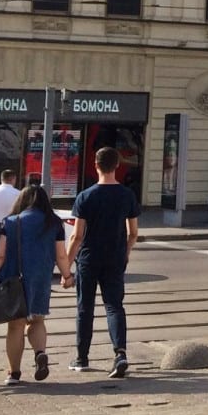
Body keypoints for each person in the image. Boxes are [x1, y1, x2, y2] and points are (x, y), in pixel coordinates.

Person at [0, 184, 72, 384]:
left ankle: (13, 373)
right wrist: (67, 276)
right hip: (41, 279)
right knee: (38, 321)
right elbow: (61, 255)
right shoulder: (54, 223)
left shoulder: (11, 222)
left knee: (16, 326)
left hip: (14, 279)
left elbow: (0, 255)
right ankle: (40, 352)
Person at [66, 146, 140, 378]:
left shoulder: (85, 197)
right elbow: (134, 232)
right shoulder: (127, 195)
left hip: (88, 258)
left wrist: (66, 267)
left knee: (84, 308)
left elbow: (77, 236)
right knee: (114, 306)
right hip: (115, 257)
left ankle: (81, 358)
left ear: (95, 166)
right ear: (117, 166)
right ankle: (120, 353)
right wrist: (126, 251)